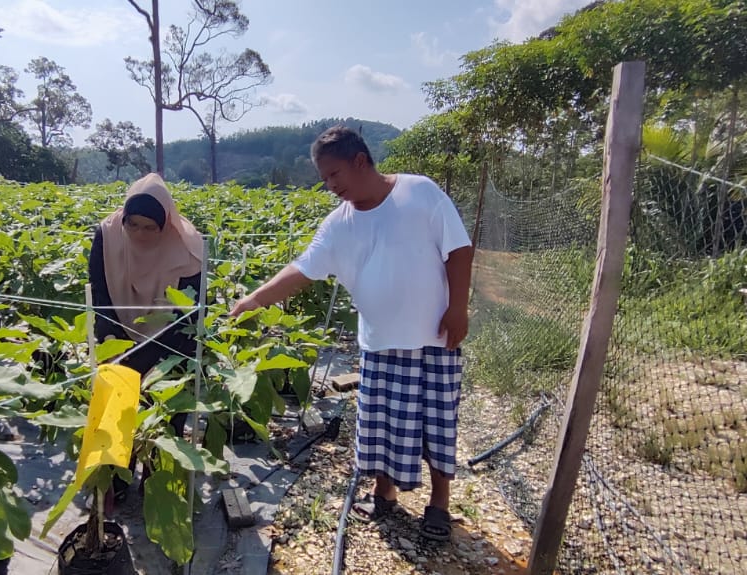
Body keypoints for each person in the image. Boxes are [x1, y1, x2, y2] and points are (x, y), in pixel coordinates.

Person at [229, 125, 474, 542]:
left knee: (436, 423)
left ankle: (439, 503)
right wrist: (254, 299)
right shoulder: (338, 224)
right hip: (380, 341)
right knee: (380, 425)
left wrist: (457, 307)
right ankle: (385, 494)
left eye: (334, 175)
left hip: (434, 336)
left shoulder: (420, 193)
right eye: (324, 179)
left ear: (361, 161)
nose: (330, 187)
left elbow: (459, 249)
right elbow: (301, 270)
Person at [88, 173, 205, 508]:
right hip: (119, 334)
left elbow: (187, 318)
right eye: (133, 224)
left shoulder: (189, 249)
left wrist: (150, 357)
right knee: (115, 407)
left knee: (166, 412)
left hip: (171, 344)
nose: (139, 234)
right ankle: (115, 480)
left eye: (149, 227)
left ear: (165, 224)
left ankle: (158, 484)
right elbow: (100, 294)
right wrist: (114, 341)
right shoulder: (107, 236)